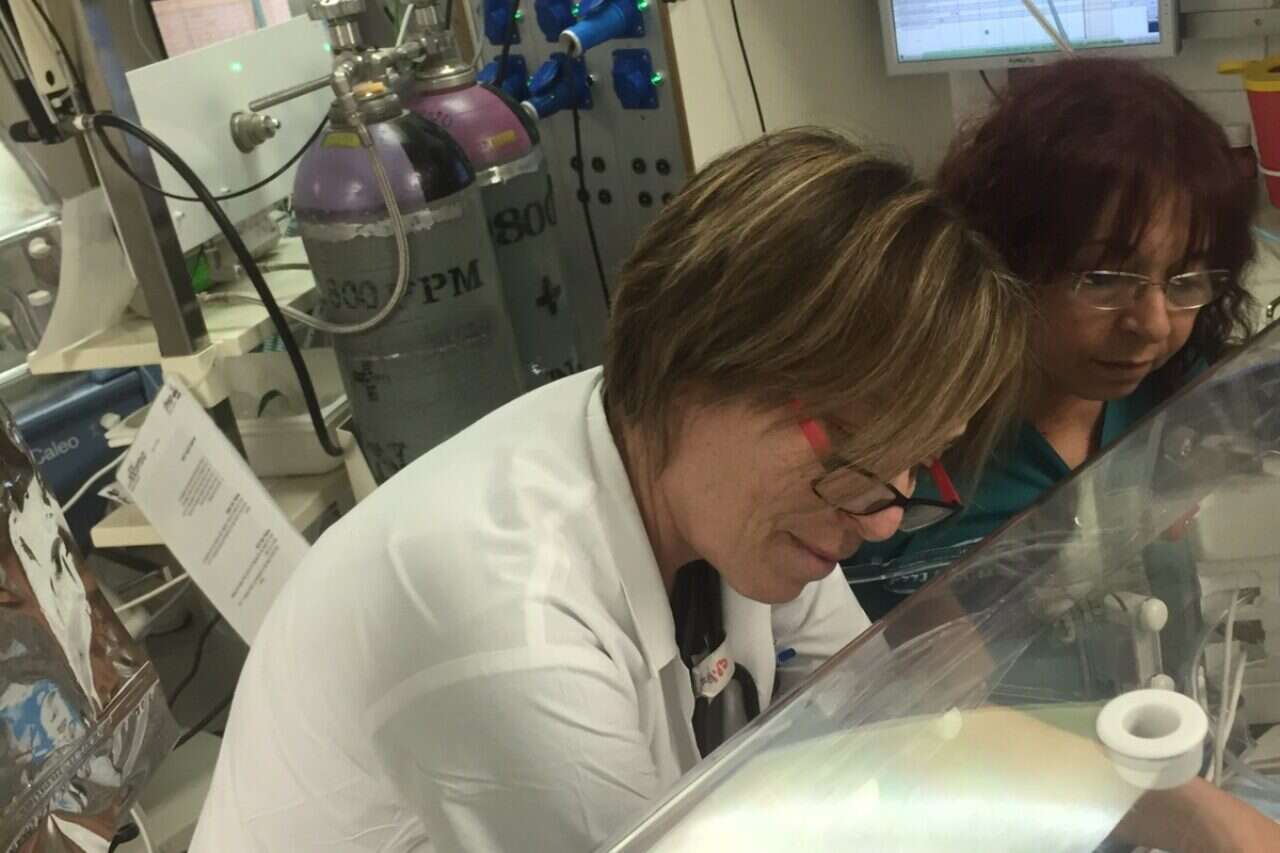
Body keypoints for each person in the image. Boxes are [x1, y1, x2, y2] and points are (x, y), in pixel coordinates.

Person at [189, 129, 1278, 852]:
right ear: (699, 361)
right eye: (863, 454)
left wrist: (1175, 807)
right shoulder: (505, 628)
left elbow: (891, 722)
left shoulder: (701, 472)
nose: (883, 517)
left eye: (916, 463)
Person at [847, 59, 1257, 628]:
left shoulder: (1173, 391)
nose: (1154, 324)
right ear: (1004, 258)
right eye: (1104, 279)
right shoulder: (906, 460)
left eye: (1185, 280)